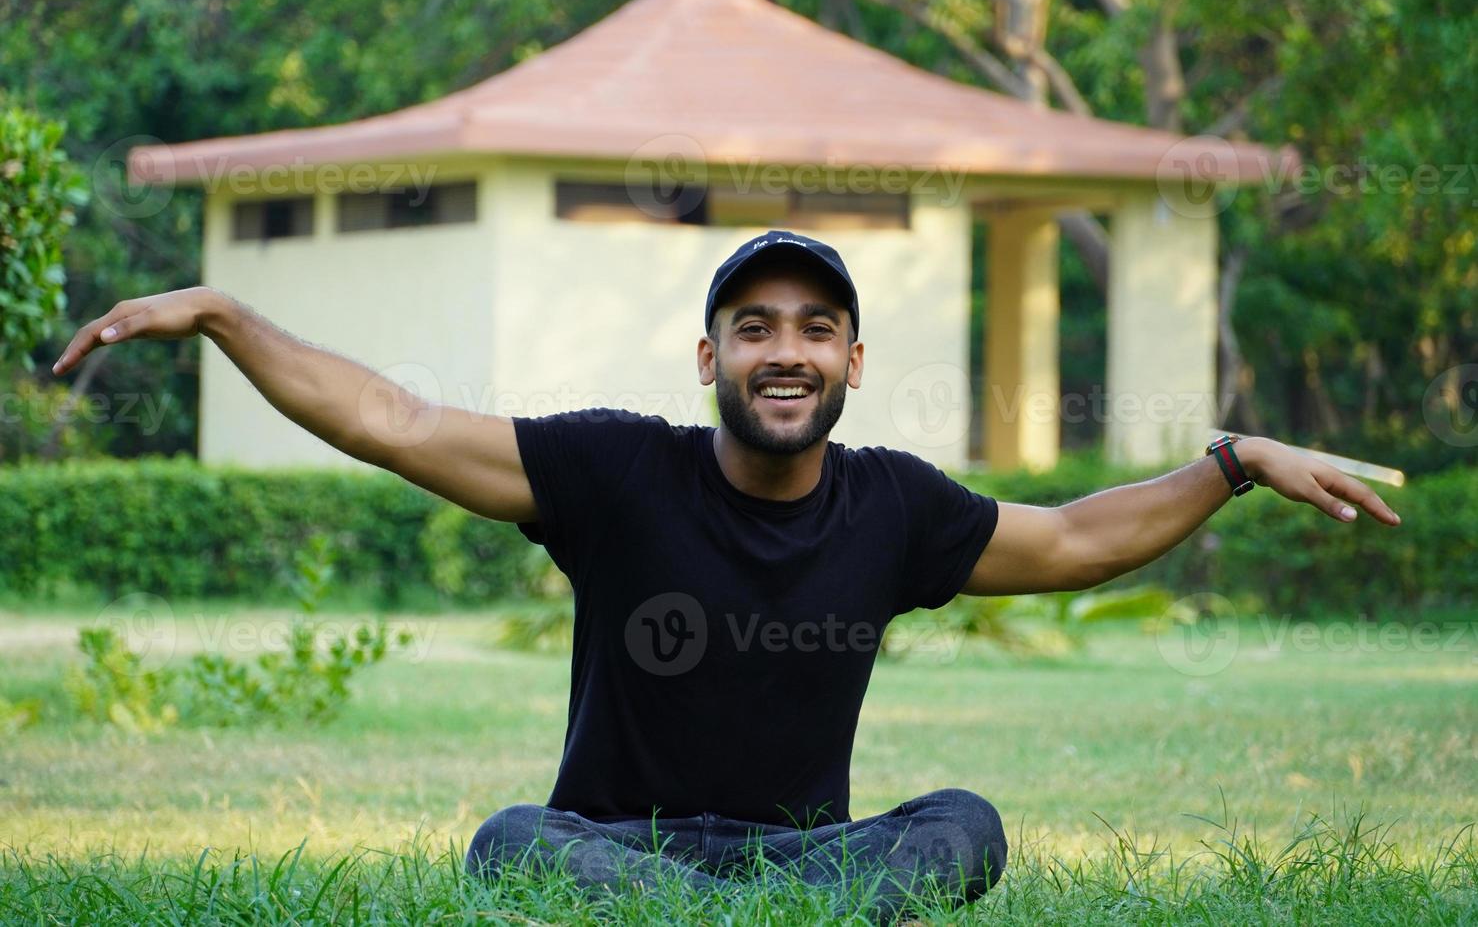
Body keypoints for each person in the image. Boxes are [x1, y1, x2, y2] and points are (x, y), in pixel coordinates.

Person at [52, 228, 1401, 922]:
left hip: (810, 860)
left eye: (817, 329)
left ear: (851, 366)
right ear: (710, 359)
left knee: (962, 824)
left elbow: (1075, 539)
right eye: (752, 327)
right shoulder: (612, 472)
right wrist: (225, 312)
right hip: (613, 848)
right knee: (510, 842)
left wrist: (1228, 459)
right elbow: (392, 422)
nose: (785, 350)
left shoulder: (896, 509)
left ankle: (764, 918)